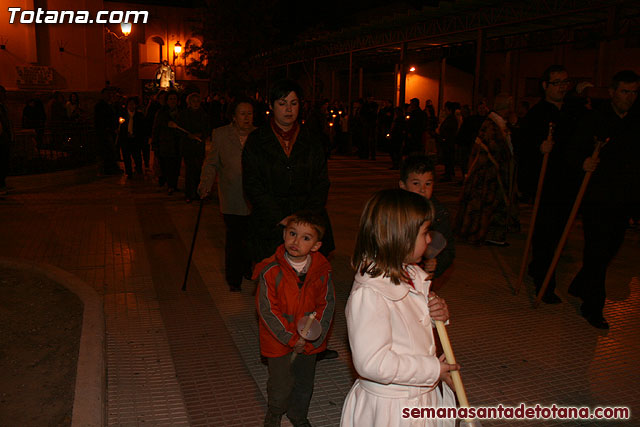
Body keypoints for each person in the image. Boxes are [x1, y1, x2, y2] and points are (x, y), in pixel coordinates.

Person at [340, 189, 456, 427]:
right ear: (400, 237)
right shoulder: (369, 294)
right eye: (425, 232)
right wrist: (432, 369)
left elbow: (411, 321)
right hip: (393, 409)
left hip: (418, 394)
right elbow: (372, 362)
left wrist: (438, 315)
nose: (430, 239)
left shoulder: (411, 273)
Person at [567, 70, 640, 329]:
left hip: (624, 200)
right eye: (624, 91)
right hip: (597, 199)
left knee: (610, 249)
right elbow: (574, 151)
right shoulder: (594, 120)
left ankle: (578, 284)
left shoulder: (636, 122)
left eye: (634, 92)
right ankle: (593, 306)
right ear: (612, 92)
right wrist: (583, 162)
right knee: (597, 251)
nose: (629, 97)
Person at [242, 79, 335, 264]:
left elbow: (321, 182)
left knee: (308, 280)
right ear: (271, 105)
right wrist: (280, 218)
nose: (288, 109)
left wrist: (304, 218)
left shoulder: (311, 139)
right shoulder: (257, 140)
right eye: (282, 103)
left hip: (308, 220)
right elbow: (252, 184)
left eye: (294, 103)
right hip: (271, 223)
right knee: (273, 279)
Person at [256, 211, 335, 427]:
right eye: (292, 233)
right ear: (284, 234)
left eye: (305, 238)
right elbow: (267, 310)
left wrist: (313, 337)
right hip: (278, 339)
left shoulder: (322, 271)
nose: (296, 241)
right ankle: (275, 412)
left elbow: (326, 305)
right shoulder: (270, 271)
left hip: (309, 339)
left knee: (303, 381)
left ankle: (298, 415)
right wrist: (291, 338)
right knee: (280, 382)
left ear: (316, 246)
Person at [520, 65, 585, 304]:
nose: (561, 87)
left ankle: (539, 268)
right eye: (556, 82)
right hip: (546, 186)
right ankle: (544, 284)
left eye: (564, 82)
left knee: (559, 235)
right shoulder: (537, 114)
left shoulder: (574, 111)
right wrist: (539, 149)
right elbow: (523, 149)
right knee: (546, 235)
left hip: (569, 183)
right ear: (545, 85)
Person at [199, 97, 256, 291]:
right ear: (233, 116)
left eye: (250, 113)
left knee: (250, 236)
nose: (247, 117)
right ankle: (234, 278)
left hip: (255, 197)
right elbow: (212, 162)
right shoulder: (221, 134)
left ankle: (248, 269)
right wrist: (205, 183)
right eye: (243, 113)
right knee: (234, 237)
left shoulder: (259, 135)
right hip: (231, 195)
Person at [454, 93, 517, 246]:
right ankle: (487, 234)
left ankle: (494, 234)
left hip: (493, 175)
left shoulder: (499, 125)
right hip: (488, 176)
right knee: (487, 206)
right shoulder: (491, 126)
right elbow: (493, 151)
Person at [399, 155, 455, 282]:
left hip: (422, 276)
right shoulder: (394, 212)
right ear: (402, 185)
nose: (422, 189)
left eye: (428, 184)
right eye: (416, 183)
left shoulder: (439, 214)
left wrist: (436, 264)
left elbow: (448, 250)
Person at [177, 92, 210, 203]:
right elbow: (179, 130)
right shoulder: (183, 114)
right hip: (188, 146)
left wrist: (201, 135)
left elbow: (208, 128)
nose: (196, 103)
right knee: (190, 170)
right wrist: (188, 135)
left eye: (197, 101)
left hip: (199, 146)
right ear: (189, 103)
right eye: (193, 101)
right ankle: (189, 193)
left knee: (198, 170)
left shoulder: (204, 114)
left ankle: (198, 192)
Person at [152, 90, 181, 194]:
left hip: (177, 144)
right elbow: (156, 129)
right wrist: (155, 144)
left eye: (174, 99)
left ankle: (173, 184)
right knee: (166, 165)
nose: (172, 101)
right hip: (165, 143)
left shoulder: (180, 112)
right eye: (170, 99)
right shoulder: (161, 113)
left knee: (176, 166)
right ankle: (169, 184)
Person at [94, 87, 121, 174]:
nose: (110, 96)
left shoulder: (110, 105)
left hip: (110, 130)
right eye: (108, 94)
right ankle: (108, 168)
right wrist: (107, 127)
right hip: (104, 131)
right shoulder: (100, 106)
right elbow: (100, 119)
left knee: (111, 150)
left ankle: (111, 167)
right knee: (108, 150)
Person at [118, 97, 146, 178]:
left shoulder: (139, 116)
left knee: (137, 155)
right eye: (129, 104)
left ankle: (139, 170)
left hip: (135, 140)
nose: (131, 106)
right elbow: (120, 127)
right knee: (126, 156)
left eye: (133, 104)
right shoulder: (122, 115)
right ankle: (129, 172)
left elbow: (142, 128)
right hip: (125, 139)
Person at [0, 85, 11, 194]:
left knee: (4, 161)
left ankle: (2, 183)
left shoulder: (3, 106)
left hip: (4, 138)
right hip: (1, 139)